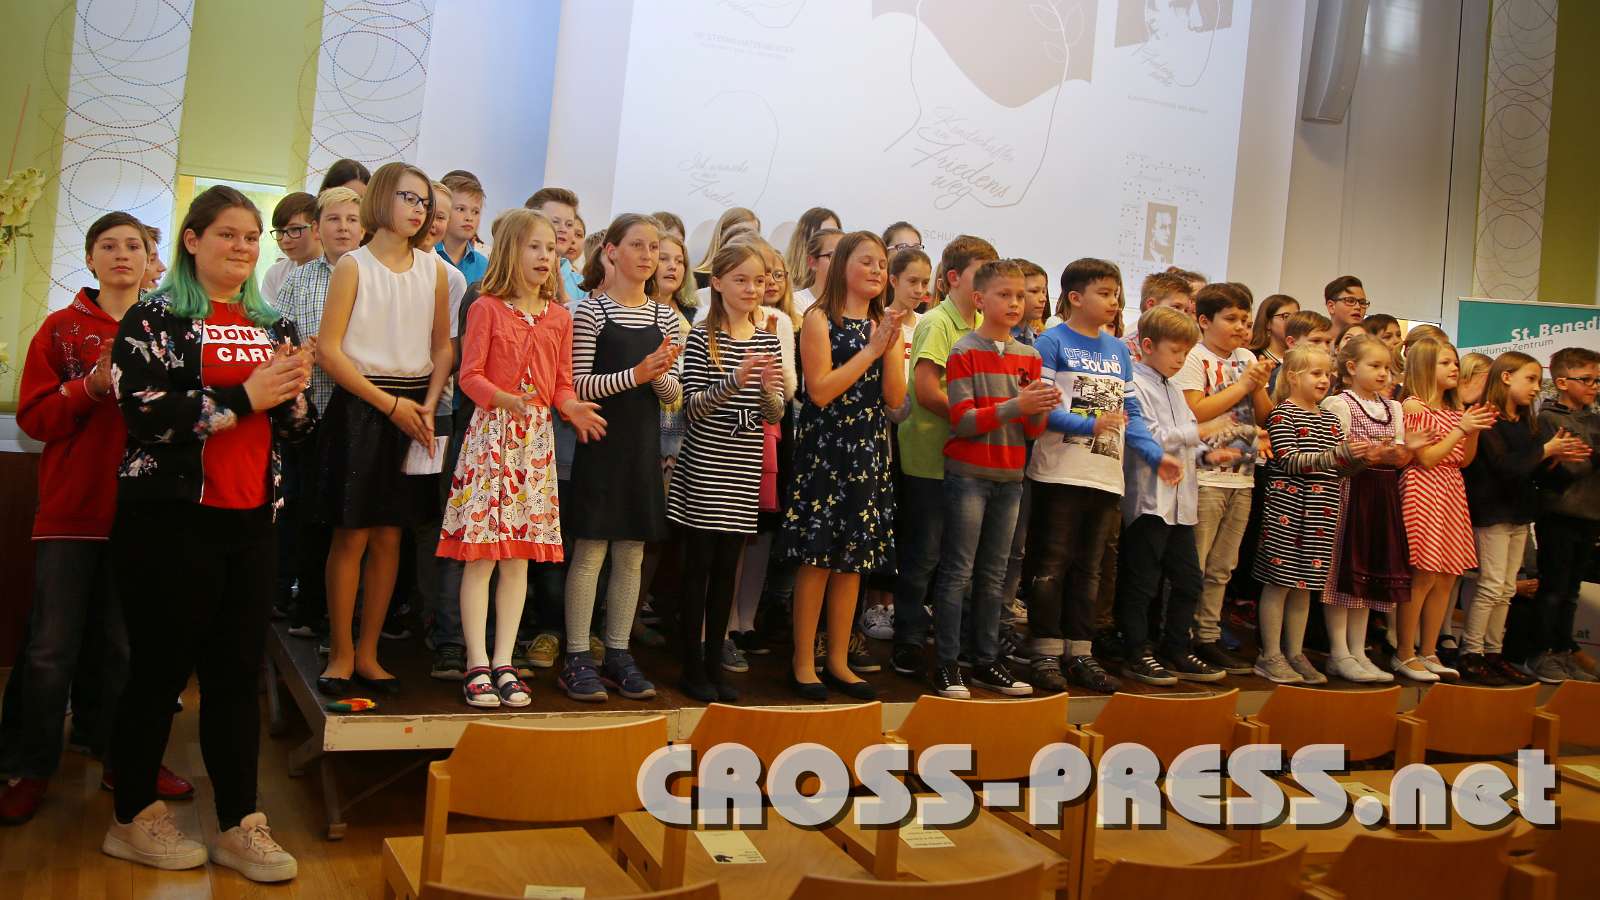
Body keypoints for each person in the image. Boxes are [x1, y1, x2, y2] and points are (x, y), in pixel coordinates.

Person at [103, 185, 315, 881]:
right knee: (160, 671)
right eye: (228, 234)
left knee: (235, 676)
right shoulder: (155, 316)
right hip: (169, 520)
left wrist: (294, 396)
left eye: (252, 237)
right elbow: (145, 415)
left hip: (252, 519)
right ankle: (132, 817)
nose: (243, 247)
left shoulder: (272, 322)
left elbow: (295, 430)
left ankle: (239, 824)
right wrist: (246, 396)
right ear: (192, 241)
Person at [0, 212, 194, 825]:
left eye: (134, 245)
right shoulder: (60, 329)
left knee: (124, 648)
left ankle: (121, 760)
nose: (121, 255)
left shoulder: (169, 330)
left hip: (143, 514)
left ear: (150, 259)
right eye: (108, 246)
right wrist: (89, 387)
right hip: (70, 512)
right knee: (50, 649)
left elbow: (190, 416)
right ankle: (29, 767)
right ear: (90, 259)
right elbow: (34, 420)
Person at [440, 209, 604, 708]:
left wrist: (572, 408)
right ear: (511, 250)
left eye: (551, 248)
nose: (545, 256)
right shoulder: (487, 308)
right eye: (535, 246)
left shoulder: (560, 317)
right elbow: (469, 376)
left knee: (517, 561)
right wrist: (502, 398)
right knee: (482, 558)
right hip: (491, 440)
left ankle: (505, 661)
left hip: (534, 447)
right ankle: (476, 662)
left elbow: (560, 385)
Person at [315, 162, 453, 696]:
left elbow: (442, 347)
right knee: (351, 533)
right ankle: (341, 651)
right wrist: (388, 404)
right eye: (408, 198)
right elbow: (329, 351)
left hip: (414, 406)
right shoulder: (354, 266)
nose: (419, 209)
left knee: (392, 535)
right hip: (361, 406)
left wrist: (428, 405)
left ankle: (370, 651)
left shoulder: (434, 270)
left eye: (424, 201)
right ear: (380, 200)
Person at [1024, 258, 1175, 694]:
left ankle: (1080, 651)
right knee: (1051, 565)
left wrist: (1155, 455)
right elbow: (1043, 409)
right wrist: (1088, 425)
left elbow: (1132, 414)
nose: (1114, 301)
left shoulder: (1118, 351)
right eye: (1104, 293)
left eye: (1116, 294)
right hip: (1059, 473)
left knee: (1090, 569)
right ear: (1075, 297)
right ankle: (1045, 651)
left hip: (1106, 477)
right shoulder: (1051, 342)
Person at [561, 214, 681, 703]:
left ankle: (617, 651)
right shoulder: (591, 312)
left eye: (654, 247)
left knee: (631, 553)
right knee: (590, 552)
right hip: (600, 444)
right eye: (638, 245)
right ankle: (576, 655)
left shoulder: (665, 317)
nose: (648, 255)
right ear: (611, 251)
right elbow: (578, 385)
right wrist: (636, 374)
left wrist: (657, 375)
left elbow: (673, 394)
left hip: (641, 447)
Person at [781, 232, 906, 700]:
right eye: (867, 261)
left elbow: (895, 398)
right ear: (841, 267)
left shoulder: (882, 325)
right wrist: (871, 350)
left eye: (882, 264)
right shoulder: (819, 318)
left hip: (868, 451)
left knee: (853, 562)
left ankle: (837, 660)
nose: (877, 271)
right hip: (826, 451)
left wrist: (889, 345)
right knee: (817, 559)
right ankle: (802, 662)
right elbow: (819, 390)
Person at [668, 242, 784, 702]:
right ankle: (691, 665)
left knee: (725, 572)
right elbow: (691, 407)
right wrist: (735, 381)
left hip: (743, 466)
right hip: (704, 465)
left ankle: (715, 662)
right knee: (698, 569)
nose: (752, 289)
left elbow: (774, 411)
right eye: (741, 280)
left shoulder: (768, 339)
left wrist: (767, 390)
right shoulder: (702, 337)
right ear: (716, 283)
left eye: (758, 280)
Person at [928, 259, 1049, 698]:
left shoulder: (1030, 356)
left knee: (994, 574)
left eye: (1020, 296)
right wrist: (1017, 406)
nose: (1015, 303)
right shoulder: (964, 350)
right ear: (980, 300)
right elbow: (962, 420)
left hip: (1010, 476)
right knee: (958, 571)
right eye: (1004, 295)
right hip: (969, 476)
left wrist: (1038, 409)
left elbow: (1031, 431)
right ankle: (946, 663)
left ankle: (984, 659)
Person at [891, 235, 998, 678]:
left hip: (969, 458)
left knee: (960, 560)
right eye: (980, 274)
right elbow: (926, 390)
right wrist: (976, 418)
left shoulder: (986, 325)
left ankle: (950, 640)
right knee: (923, 556)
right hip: (929, 457)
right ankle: (908, 639)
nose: (989, 284)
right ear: (953, 277)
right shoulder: (938, 322)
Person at [1116, 307, 1230, 686]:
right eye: (1175, 351)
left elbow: (1185, 441)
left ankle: (1176, 648)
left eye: (1186, 352)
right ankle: (1136, 651)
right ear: (1148, 346)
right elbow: (1151, 437)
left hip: (1181, 505)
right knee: (1141, 583)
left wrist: (1209, 453)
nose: (1181, 360)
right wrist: (1201, 432)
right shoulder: (1135, 385)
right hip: (1150, 502)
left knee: (1188, 581)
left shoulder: (1175, 390)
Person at [1462, 351, 1588, 685]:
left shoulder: (1525, 421)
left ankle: (1494, 652)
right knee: (1491, 586)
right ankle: (1471, 652)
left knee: (1506, 589)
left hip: (1518, 513)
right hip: (1492, 513)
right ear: (1506, 377)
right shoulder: (1487, 417)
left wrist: (1555, 461)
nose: (1535, 388)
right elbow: (1504, 467)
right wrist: (1545, 451)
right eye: (1530, 379)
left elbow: (1532, 473)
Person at [275, 186, 364, 646]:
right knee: (309, 512)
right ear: (317, 229)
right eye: (334, 220)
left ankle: (348, 617)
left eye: (352, 220)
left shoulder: (372, 273)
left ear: (364, 227)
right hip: (312, 413)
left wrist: (337, 349)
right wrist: (303, 352)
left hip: (360, 415)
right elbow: (278, 336)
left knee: (351, 520)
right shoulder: (300, 278)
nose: (343, 228)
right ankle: (308, 606)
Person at [1173, 282, 1274, 674]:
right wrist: (1243, 384)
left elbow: (1264, 414)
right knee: (1195, 564)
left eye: (1246, 320)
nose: (1241, 328)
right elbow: (1195, 411)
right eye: (1231, 319)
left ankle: (1208, 635)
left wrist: (1258, 385)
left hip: (1242, 476)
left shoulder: (1246, 357)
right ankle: (1179, 636)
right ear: (1204, 320)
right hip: (1204, 475)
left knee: (1223, 566)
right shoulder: (1194, 357)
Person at [1252, 346, 1368, 684]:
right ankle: (1269, 654)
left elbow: (1339, 469)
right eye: (1316, 373)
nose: (1324, 380)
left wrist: (1361, 458)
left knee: (1304, 587)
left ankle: (1294, 652)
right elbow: (1289, 460)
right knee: (1279, 583)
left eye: (1327, 374)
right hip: (1288, 512)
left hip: (1321, 515)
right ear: (1292, 376)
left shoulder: (1329, 418)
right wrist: (1338, 455)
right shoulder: (1282, 415)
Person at [1320, 335, 1421, 683]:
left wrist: (1402, 451)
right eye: (1374, 366)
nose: (1383, 374)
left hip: (1383, 493)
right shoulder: (1340, 404)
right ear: (1351, 367)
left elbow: (1400, 455)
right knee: (1345, 571)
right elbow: (1339, 455)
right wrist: (1379, 452)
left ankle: (1358, 650)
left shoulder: (1393, 407)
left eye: (1387, 367)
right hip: (1352, 490)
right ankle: (1338, 652)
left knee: (1369, 574)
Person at [1395, 338, 1495, 682]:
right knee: (1423, 574)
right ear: (1425, 366)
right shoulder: (1413, 406)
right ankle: (1404, 652)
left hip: (1452, 488)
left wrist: (1473, 429)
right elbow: (1426, 458)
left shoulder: (1455, 409)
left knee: (1447, 576)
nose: (1454, 368)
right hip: (1423, 487)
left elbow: (1463, 460)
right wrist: (1461, 429)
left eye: (1455, 362)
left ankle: (1429, 650)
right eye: (1445, 363)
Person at [1529, 347, 1600, 683]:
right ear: (1561, 382)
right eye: (1586, 379)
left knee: (1571, 592)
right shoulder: (1549, 419)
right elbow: (1569, 468)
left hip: (1589, 513)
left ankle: (1562, 651)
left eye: (1597, 380)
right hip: (1559, 513)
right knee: (1553, 589)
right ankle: (1540, 653)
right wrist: (1593, 456)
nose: (1594, 386)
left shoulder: (1594, 420)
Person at [525, 187, 583, 303]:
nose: (563, 229)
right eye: (555, 222)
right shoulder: (508, 275)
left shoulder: (582, 285)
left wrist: (565, 303)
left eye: (569, 224)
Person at [262, 192, 320, 306]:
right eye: (279, 231)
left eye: (294, 230)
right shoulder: (275, 273)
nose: (285, 239)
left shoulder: (339, 270)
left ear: (317, 228)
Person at [436, 173, 487, 286]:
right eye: (461, 209)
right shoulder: (425, 254)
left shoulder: (485, 267)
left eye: (475, 212)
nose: (469, 218)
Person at [693, 206, 760, 289]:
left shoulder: (760, 279)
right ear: (722, 235)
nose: (745, 240)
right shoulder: (695, 279)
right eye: (739, 233)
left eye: (752, 235)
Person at [782, 206, 840, 294]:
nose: (832, 238)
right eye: (823, 233)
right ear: (804, 241)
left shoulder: (842, 285)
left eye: (835, 232)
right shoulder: (786, 286)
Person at [791, 228, 843, 315]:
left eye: (846, 256)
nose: (841, 262)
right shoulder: (796, 302)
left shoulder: (856, 302)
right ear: (812, 262)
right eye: (833, 256)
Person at [1248, 294, 1299, 367]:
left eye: (1297, 316)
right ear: (1268, 323)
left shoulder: (1301, 359)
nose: (1294, 322)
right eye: (1286, 316)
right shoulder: (1250, 357)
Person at [1014, 259, 1049, 345]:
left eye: (1044, 292)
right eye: (1034, 291)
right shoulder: (995, 339)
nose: (1043, 299)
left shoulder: (1037, 339)